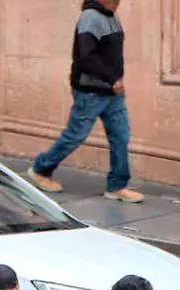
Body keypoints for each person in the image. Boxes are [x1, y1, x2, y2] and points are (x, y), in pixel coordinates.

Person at [25, 0, 145, 204]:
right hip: (90, 91)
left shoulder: (111, 17)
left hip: (112, 92)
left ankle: (117, 185)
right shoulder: (90, 17)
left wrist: (116, 80)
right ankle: (41, 169)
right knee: (75, 134)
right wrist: (111, 78)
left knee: (121, 135)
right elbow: (85, 57)